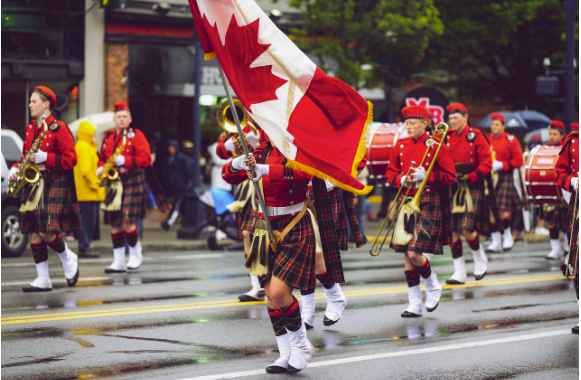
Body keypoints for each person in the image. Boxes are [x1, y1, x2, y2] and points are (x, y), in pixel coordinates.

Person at [222, 138, 318, 373]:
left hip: (293, 222)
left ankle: (301, 347)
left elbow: (305, 173)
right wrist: (238, 163)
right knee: (270, 296)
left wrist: (265, 170)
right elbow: (228, 176)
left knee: (279, 292)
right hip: (264, 224)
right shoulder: (261, 150)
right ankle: (285, 353)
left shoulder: (298, 147)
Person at [385, 105, 455, 317]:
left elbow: (450, 176)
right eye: (406, 123)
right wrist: (400, 179)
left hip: (428, 198)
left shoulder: (435, 144)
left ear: (425, 124)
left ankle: (433, 285)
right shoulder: (400, 145)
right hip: (406, 199)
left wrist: (427, 176)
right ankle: (414, 302)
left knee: (415, 252)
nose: (408, 126)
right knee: (407, 255)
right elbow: (390, 172)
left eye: (413, 123)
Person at [8, 86, 81, 292]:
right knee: (34, 232)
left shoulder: (60, 128)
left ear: (46, 104)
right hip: (33, 181)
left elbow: (71, 159)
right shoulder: (31, 128)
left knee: (46, 230)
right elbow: (26, 157)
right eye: (30, 101)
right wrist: (16, 168)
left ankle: (68, 256)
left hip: (53, 181)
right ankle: (43, 278)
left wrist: (46, 158)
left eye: (34, 101)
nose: (30, 105)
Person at [97, 101, 151, 273]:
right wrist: (100, 167)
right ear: (114, 119)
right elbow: (102, 158)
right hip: (114, 182)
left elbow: (146, 160)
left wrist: (125, 161)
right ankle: (118, 261)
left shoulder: (137, 135)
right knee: (116, 223)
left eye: (124, 117)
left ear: (130, 119)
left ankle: (136, 255)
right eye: (118, 117)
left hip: (133, 179)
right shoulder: (108, 137)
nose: (121, 120)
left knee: (128, 221)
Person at [216, 125, 266, 302]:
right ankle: (256, 285)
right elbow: (220, 152)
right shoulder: (233, 128)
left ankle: (265, 282)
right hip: (245, 185)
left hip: (263, 180)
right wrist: (228, 146)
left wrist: (256, 141)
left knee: (261, 235)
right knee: (247, 234)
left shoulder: (258, 123)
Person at [444, 103, 491, 284]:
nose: (452, 121)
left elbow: (487, 164)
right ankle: (459, 271)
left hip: (473, 185)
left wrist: (470, 176)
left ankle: (480, 258)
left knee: (467, 228)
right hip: (453, 186)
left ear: (465, 116)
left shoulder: (476, 136)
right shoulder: (446, 137)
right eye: (450, 118)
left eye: (456, 118)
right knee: (453, 232)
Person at [486, 113, 524, 253]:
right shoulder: (487, 139)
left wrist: (502, 164)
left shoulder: (511, 140)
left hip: (505, 176)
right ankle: (496, 242)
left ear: (503, 126)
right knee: (492, 210)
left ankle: (508, 236)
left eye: (497, 124)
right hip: (490, 178)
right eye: (492, 124)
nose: (494, 127)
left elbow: (519, 160)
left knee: (503, 210)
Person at [555, 128, 579, 334]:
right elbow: (559, 172)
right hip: (579, 202)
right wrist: (570, 181)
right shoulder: (572, 142)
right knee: (578, 263)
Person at [74, 121, 106, 258]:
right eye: (92, 132)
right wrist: (96, 183)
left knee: (88, 222)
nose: (94, 135)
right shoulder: (83, 147)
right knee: (86, 222)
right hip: (86, 192)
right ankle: (84, 247)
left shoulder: (86, 146)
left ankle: (85, 246)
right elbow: (86, 171)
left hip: (88, 192)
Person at [543, 120, 568, 260]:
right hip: (550, 190)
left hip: (563, 190)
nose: (551, 137)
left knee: (566, 221)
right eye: (550, 134)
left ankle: (567, 247)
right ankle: (555, 249)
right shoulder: (545, 148)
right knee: (551, 222)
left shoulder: (567, 147)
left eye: (554, 134)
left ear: (562, 135)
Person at [161, 140, 193, 230]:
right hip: (173, 186)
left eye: (172, 147)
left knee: (177, 204)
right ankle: (186, 221)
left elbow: (188, 171)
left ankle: (168, 222)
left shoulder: (182, 158)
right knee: (182, 205)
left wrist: (186, 184)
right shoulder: (169, 158)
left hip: (181, 186)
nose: (170, 149)